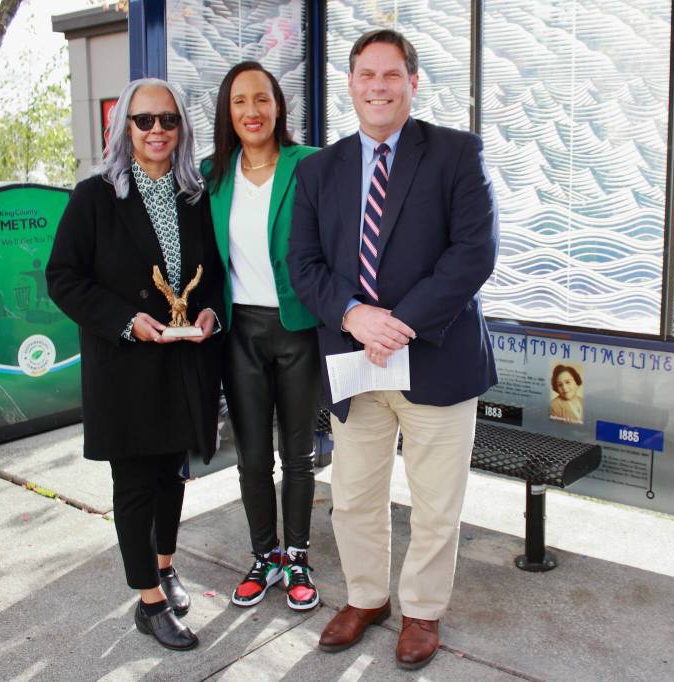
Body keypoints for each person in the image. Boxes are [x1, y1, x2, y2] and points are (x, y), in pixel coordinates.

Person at [287, 29, 499, 671]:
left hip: (433, 356)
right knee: (354, 495)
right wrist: (354, 316)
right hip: (355, 362)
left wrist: (396, 323)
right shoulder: (319, 169)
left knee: (436, 502)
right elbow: (304, 263)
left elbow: (473, 255)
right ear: (350, 83)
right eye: (365, 75)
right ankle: (366, 598)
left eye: (390, 75)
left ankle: (423, 612)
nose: (377, 86)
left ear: (412, 82)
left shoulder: (457, 153)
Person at [47, 78, 224, 652]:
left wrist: (208, 316)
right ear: (124, 126)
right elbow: (64, 279)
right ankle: (148, 600)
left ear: (181, 128)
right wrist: (126, 320)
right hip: (125, 365)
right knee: (134, 484)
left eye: (167, 120)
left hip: (182, 364)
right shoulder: (95, 196)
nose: (156, 131)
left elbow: (215, 278)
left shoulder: (192, 197)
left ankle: (166, 567)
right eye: (144, 120)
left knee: (174, 475)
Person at [202, 61, 321, 611]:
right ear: (228, 112)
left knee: (297, 454)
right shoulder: (211, 174)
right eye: (240, 102)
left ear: (278, 107)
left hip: (296, 328)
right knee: (252, 456)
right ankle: (264, 556)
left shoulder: (309, 166)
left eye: (262, 100)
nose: (252, 111)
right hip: (239, 332)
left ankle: (297, 555)